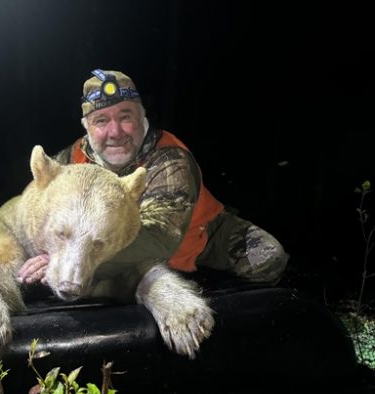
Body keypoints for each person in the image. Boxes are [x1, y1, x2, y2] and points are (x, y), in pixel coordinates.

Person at [17, 69, 288, 286]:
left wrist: (73, 263)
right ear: (87, 126)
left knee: (268, 257)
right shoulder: (73, 157)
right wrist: (50, 251)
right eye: (101, 121)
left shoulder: (170, 158)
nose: (115, 132)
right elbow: (37, 209)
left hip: (196, 238)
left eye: (125, 117)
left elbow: (160, 236)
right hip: (103, 248)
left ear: (141, 117)